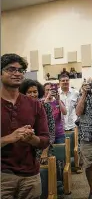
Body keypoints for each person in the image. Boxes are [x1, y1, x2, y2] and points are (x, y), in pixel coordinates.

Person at [1, 54, 50, 199]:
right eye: (11, 69)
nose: (17, 73)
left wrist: (32, 139)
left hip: (30, 175)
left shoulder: (35, 105)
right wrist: (10, 138)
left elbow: (45, 139)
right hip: (3, 176)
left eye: (20, 70)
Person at [19, 79, 56, 164]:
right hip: (25, 150)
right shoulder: (20, 109)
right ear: (24, 93)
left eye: (35, 92)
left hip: (43, 149)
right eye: (29, 92)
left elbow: (51, 131)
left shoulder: (46, 106)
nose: (33, 95)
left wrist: (44, 151)